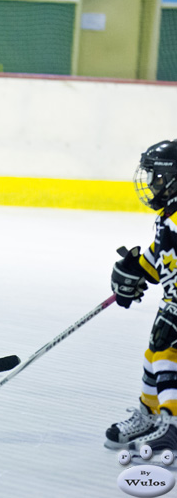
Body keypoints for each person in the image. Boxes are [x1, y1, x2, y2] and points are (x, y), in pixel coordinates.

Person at [107, 139, 177, 452]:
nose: (151, 184)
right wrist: (136, 269)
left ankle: (173, 426)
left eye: (156, 177)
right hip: (172, 302)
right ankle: (151, 417)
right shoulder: (171, 215)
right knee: (154, 354)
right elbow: (164, 254)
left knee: (167, 357)